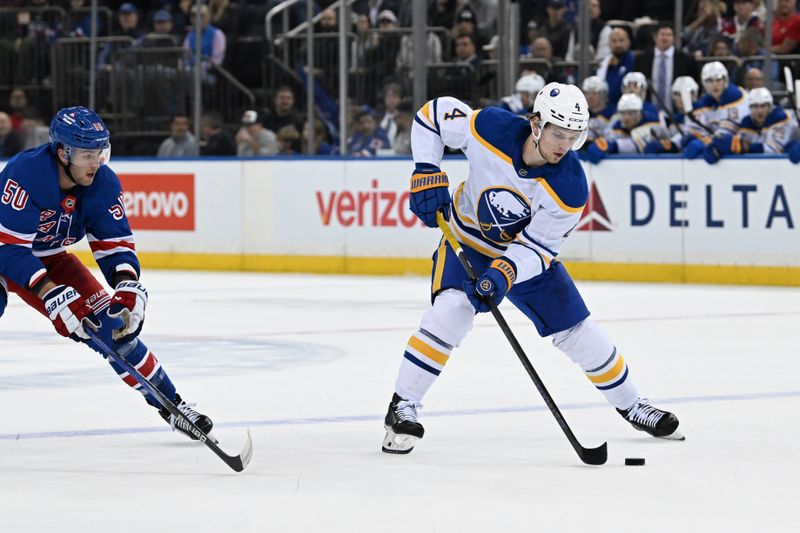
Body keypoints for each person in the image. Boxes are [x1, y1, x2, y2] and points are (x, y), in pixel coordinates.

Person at [381, 85, 684, 455]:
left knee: (579, 331)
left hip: (523, 258)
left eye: (574, 137)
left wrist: (505, 272)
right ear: (536, 124)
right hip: (468, 242)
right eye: (558, 134)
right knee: (452, 311)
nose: (564, 145)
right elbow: (433, 114)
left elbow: (538, 248)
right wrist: (426, 169)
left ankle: (633, 405)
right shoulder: (491, 128)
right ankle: (403, 405)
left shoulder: (570, 186)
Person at [0, 106, 214, 441]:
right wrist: (49, 291)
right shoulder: (25, 174)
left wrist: (127, 283)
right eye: (87, 154)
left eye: (100, 152)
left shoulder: (102, 183)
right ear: (62, 152)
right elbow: (9, 250)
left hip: (49, 257)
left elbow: (114, 243)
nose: (97, 162)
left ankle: (174, 405)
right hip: (4, 250)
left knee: (114, 331)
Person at [703, 87, 800, 163]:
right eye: (755, 106)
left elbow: (773, 149)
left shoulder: (779, 118)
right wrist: (718, 147)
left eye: (763, 106)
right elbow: (738, 143)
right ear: (749, 108)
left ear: (770, 106)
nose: (759, 110)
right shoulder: (747, 121)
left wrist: (744, 147)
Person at [682, 61, 748, 158]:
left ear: (725, 80)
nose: (715, 84)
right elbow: (694, 128)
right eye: (709, 81)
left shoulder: (735, 97)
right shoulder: (707, 101)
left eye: (718, 79)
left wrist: (703, 141)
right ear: (704, 83)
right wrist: (690, 136)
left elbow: (725, 136)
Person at [634, 21, 699, 113]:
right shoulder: (641, 59)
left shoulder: (687, 60)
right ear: (655, 37)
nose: (665, 38)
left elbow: (695, 84)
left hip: (678, 113)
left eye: (669, 35)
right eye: (662, 34)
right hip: (649, 113)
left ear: (674, 38)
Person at [585, 94, 662, 163]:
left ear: (639, 113)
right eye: (623, 113)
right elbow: (608, 138)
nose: (626, 118)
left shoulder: (651, 123)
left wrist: (613, 145)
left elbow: (638, 145)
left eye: (630, 113)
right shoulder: (618, 125)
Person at [581, 75, 616, 146]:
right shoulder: (581, 114)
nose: (589, 96)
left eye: (594, 93)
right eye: (587, 93)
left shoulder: (614, 115)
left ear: (603, 94)